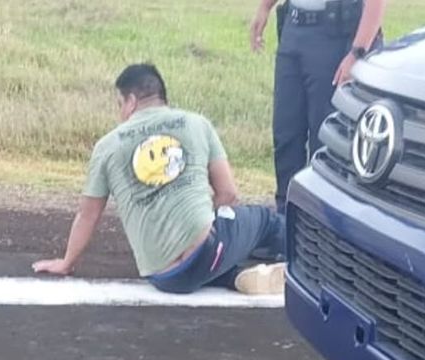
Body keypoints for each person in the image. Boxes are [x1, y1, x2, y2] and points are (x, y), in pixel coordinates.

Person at [33, 64, 286, 295]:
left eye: (119, 104)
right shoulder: (197, 124)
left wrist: (66, 262)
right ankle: (306, 257)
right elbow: (228, 194)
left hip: (164, 277)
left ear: (131, 101)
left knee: (204, 265)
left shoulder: (106, 146)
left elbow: (88, 215)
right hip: (207, 252)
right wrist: (205, 220)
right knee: (265, 220)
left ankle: (238, 277)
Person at [250, 0, 387, 212]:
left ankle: (320, 218)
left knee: (324, 140)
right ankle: (286, 214)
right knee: (286, 134)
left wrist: (357, 53)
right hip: (294, 28)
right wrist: (264, 7)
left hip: (332, 35)